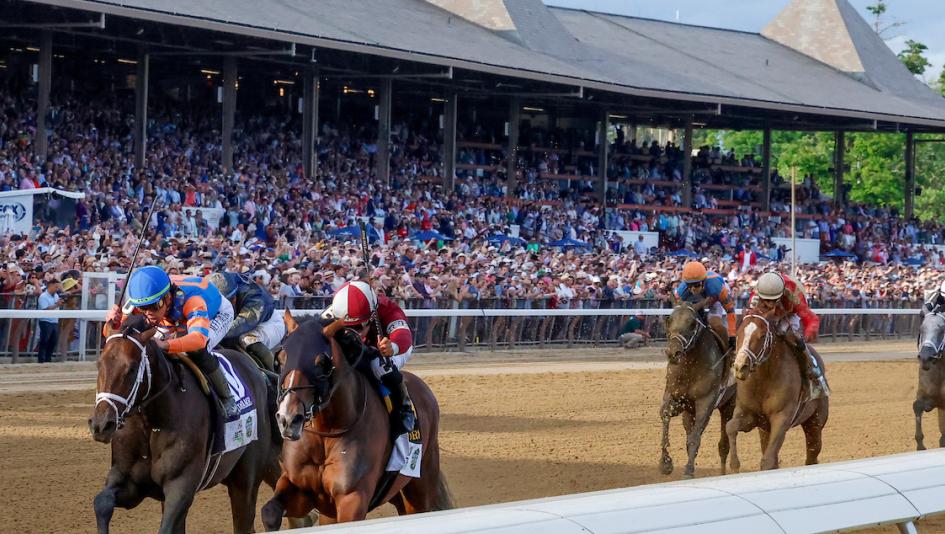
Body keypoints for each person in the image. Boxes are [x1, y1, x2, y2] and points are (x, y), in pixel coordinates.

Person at [105, 266, 239, 417]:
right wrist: (113, 323)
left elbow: (198, 340)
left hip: (216, 314)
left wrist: (165, 344)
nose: (149, 313)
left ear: (168, 297)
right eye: (143, 308)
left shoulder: (194, 301)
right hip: (173, 318)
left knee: (194, 350)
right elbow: (114, 337)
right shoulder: (141, 300)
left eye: (154, 306)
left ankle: (227, 398)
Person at [323, 280, 417, 439]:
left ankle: (403, 407)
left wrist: (392, 347)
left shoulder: (388, 310)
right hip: (360, 348)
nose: (354, 333)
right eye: (346, 328)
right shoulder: (333, 311)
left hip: (390, 348)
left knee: (379, 366)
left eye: (359, 327)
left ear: (372, 316)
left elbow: (404, 335)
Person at [751, 272, 829, 399]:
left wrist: (807, 335)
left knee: (791, 337)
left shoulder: (793, 292)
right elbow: (750, 316)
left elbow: (811, 318)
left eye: (773, 300)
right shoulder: (756, 293)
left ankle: (814, 374)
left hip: (789, 314)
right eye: (766, 300)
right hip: (765, 315)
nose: (770, 304)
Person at [207, 271, 284, 371]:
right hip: (238, 320)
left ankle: (272, 377)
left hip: (267, 323)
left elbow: (237, 327)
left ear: (233, 299)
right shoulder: (216, 284)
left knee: (246, 339)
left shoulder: (255, 300)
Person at [674, 261, 737, 351]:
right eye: (689, 285)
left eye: (696, 285)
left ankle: (728, 351)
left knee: (715, 324)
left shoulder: (717, 287)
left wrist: (732, 334)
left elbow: (730, 311)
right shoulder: (681, 291)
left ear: (703, 281)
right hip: (700, 300)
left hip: (715, 299)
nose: (693, 289)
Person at [36, 278, 62, 363]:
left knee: (53, 341)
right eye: (56, 287)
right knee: (44, 341)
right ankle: (41, 359)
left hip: (54, 321)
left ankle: (48, 358)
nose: (57, 289)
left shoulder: (56, 295)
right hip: (45, 321)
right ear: (50, 286)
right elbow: (45, 309)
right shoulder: (43, 296)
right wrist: (57, 304)